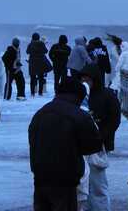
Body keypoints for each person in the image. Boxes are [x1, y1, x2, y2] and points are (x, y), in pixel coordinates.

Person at [29, 76, 102, 211]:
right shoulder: (79, 115)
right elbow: (94, 145)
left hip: (40, 177)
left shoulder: (40, 114)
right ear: (78, 96)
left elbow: (33, 142)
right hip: (65, 179)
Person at [79, 64, 120, 210]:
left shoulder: (107, 95)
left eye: (88, 79)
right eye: (82, 79)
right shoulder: (80, 94)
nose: (85, 82)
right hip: (82, 146)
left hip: (98, 145)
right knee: (83, 184)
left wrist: (101, 137)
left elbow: (114, 119)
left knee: (98, 185)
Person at [27, 32, 52, 97]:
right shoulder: (41, 43)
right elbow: (46, 51)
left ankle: (32, 93)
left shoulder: (30, 44)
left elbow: (27, 51)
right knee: (41, 78)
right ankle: (40, 92)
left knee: (32, 78)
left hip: (32, 63)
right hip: (41, 63)